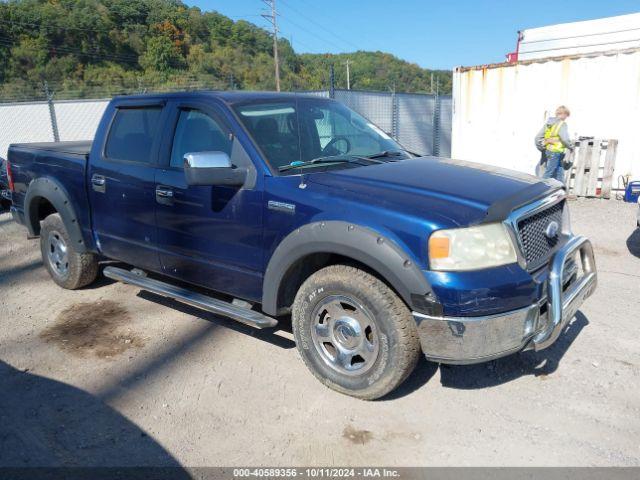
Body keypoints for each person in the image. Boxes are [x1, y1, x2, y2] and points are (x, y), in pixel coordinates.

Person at [534, 105, 574, 183]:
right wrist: (570, 146)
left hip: (550, 151)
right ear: (564, 114)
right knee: (549, 173)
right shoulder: (562, 124)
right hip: (556, 151)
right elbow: (564, 139)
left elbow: (537, 138)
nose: (566, 118)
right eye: (566, 115)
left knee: (560, 173)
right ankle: (542, 188)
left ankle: (562, 190)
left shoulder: (549, 124)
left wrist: (542, 147)